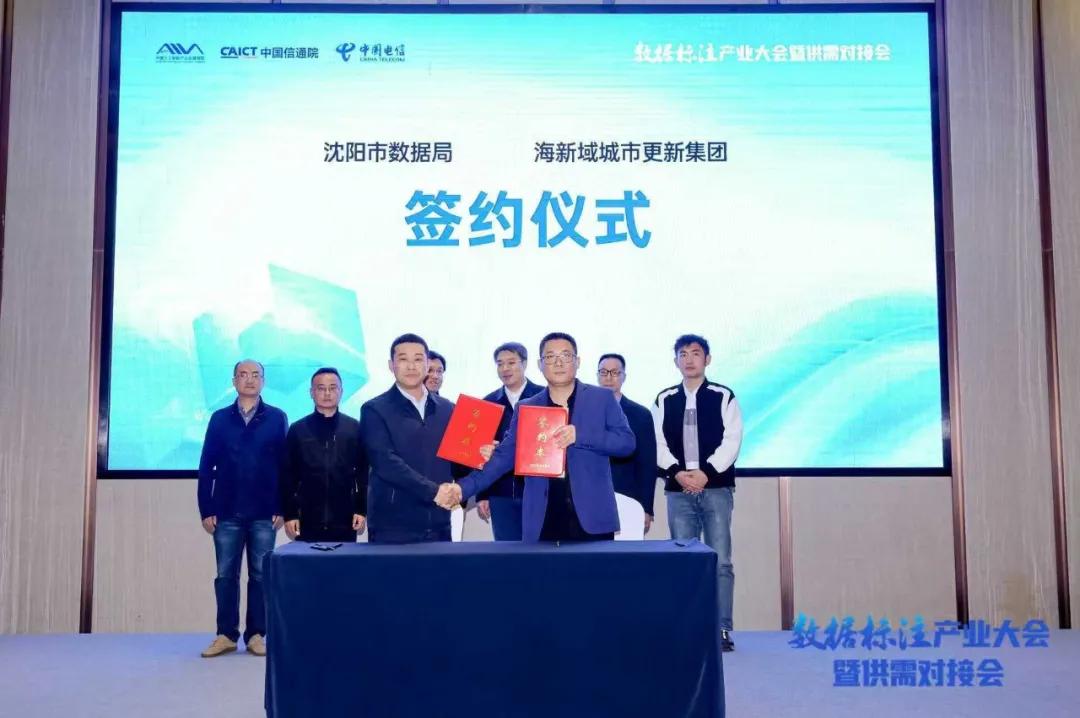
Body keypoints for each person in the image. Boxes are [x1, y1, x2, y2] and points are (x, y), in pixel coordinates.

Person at [439, 332, 635, 543]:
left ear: (577, 362)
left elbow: (626, 443)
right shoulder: (527, 407)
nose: (558, 362)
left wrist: (580, 435)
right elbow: (502, 457)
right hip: (543, 517)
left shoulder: (601, 398)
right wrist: (462, 488)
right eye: (550, 357)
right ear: (540, 365)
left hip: (592, 517)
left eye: (565, 355)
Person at [653, 334, 743, 652]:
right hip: (678, 490)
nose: (689, 359)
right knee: (684, 562)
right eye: (683, 354)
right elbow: (656, 442)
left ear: (707, 359)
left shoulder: (723, 395)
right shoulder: (664, 399)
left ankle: (722, 629)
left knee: (720, 562)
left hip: (716, 488)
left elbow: (732, 440)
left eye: (695, 353)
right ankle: (689, 629)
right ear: (675, 360)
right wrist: (677, 472)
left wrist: (706, 473)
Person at [196, 359, 288, 658]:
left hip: (264, 511)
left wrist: (282, 505)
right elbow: (206, 466)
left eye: (255, 375)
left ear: (263, 381)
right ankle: (225, 634)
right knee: (226, 575)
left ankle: (256, 635)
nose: (249, 379)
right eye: (243, 375)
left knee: (261, 575)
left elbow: (284, 467)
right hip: (226, 510)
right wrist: (206, 508)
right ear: (234, 380)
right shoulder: (219, 419)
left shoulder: (277, 417)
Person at [361, 334, 462, 543]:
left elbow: (457, 461)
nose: (411, 366)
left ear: (427, 365)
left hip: (438, 521)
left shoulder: (448, 409)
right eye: (403, 359)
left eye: (417, 359)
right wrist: (434, 492)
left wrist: (480, 455)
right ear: (391, 365)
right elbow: (385, 462)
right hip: (392, 524)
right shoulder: (374, 409)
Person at [279, 367, 368, 544]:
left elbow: (363, 473)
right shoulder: (298, 429)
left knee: (343, 562)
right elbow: (287, 476)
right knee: (307, 563)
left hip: (345, 519)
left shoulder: (354, 428)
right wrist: (290, 514)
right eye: (321, 388)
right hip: (307, 519)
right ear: (311, 392)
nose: (327, 393)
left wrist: (361, 509)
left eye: (333, 388)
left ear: (341, 391)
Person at [476, 342, 544, 540]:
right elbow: (480, 455)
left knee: (541, 549)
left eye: (511, 362)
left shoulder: (543, 397)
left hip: (537, 491)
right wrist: (482, 494)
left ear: (524, 364)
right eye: (500, 364)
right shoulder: (487, 403)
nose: (505, 368)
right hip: (500, 493)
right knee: (505, 550)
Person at [597, 353, 658, 533]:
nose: (609, 378)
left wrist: (646, 507)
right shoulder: (584, 411)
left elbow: (647, 465)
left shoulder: (640, 414)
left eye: (615, 372)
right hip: (592, 499)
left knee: (627, 549)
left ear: (624, 376)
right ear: (597, 376)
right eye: (603, 372)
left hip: (629, 499)